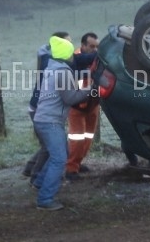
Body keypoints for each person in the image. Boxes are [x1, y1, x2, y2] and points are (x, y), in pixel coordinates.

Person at [32, 36, 92, 211]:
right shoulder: (63, 72)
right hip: (51, 122)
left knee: (58, 153)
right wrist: (90, 90)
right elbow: (71, 98)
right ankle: (45, 199)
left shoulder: (53, 68)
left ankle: (39, 182)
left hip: (42, 120)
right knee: (59, 159)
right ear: (67, 55)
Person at [23, 31, 70, 183]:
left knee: (50, 146)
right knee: (49, 148)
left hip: (39, 107)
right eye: (68, 43)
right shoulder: (51, 60)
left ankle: (31, 169)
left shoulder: (48, 58)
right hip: (40, 108)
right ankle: (36, 177)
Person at [65, 32, 100, 180]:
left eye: (96, 47)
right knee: (77, 139)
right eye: (91, 46)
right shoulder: (74, 59)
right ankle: (70, 169)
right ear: (83, 45)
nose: (94, 49)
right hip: (77, 107)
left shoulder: (98, 59)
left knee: (88, 137)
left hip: (93, 105)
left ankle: (78, 163)